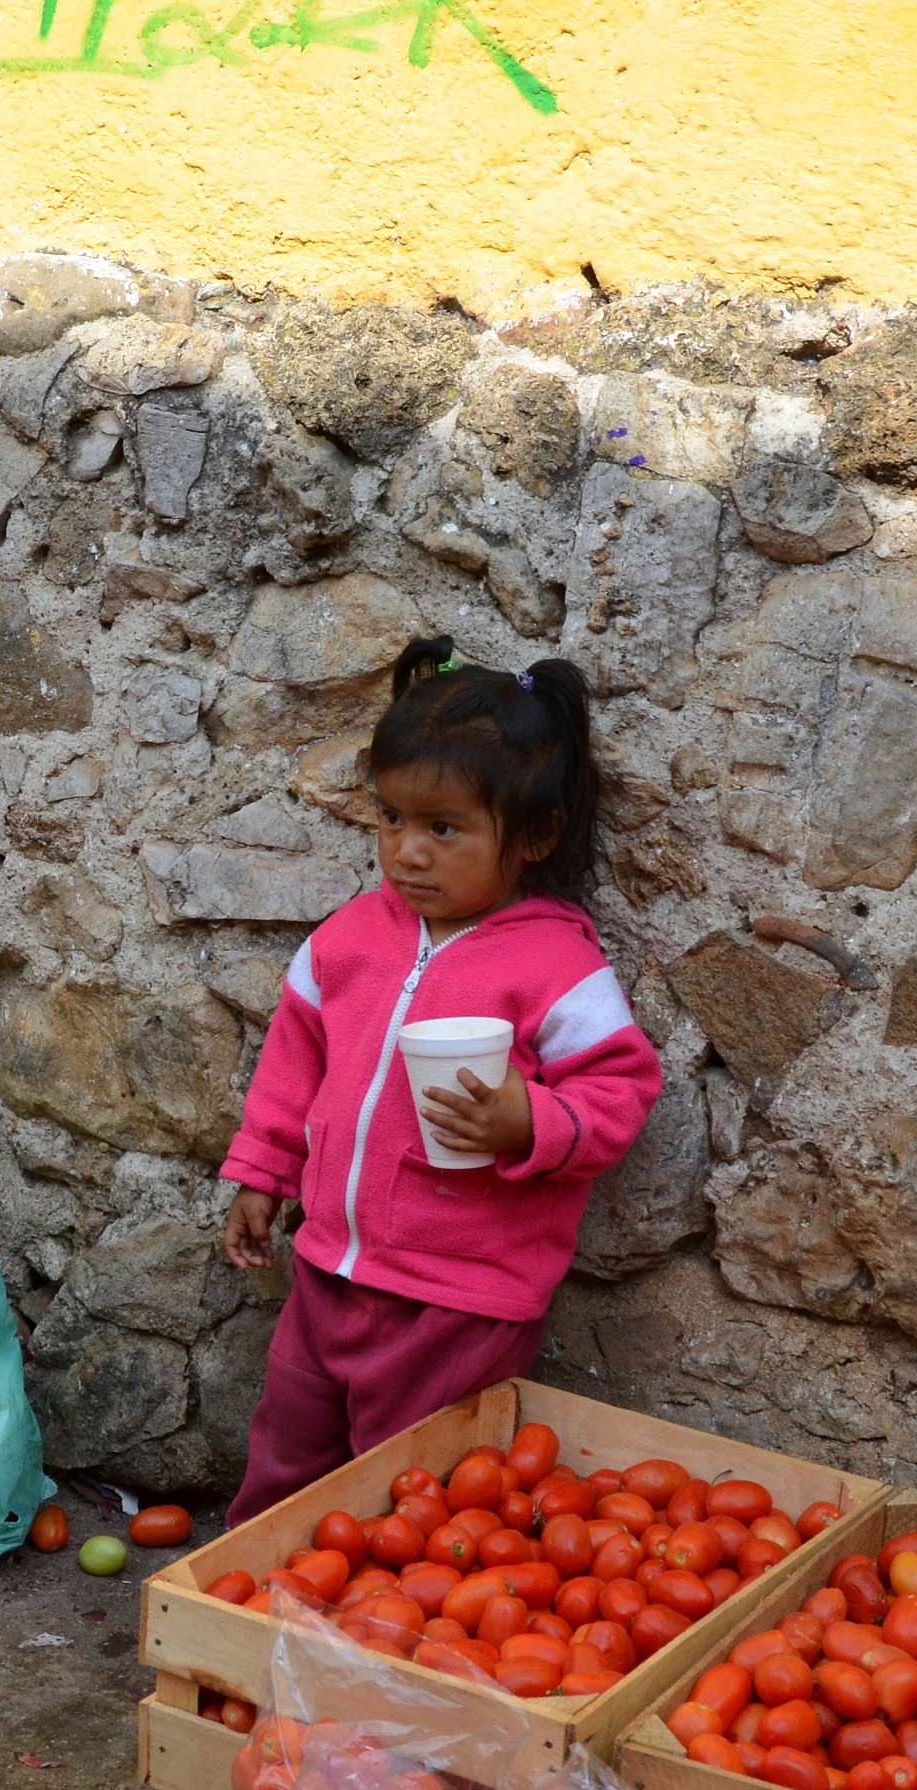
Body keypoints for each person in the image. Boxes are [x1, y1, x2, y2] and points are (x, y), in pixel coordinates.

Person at [217, 636, 661, 1524]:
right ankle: (251, 1600)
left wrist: (527, 1121)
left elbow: (621, 1091)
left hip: (458, 1298)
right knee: (287, 1455)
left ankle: (381, 1638)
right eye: (390, 818)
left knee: (412, 1493)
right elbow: (294, 1058)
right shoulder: (350, 937)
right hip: (330, 1269)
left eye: (443, 828)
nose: (406, 853)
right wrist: (261, 1172)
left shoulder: (554, 964)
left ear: (533, 837)